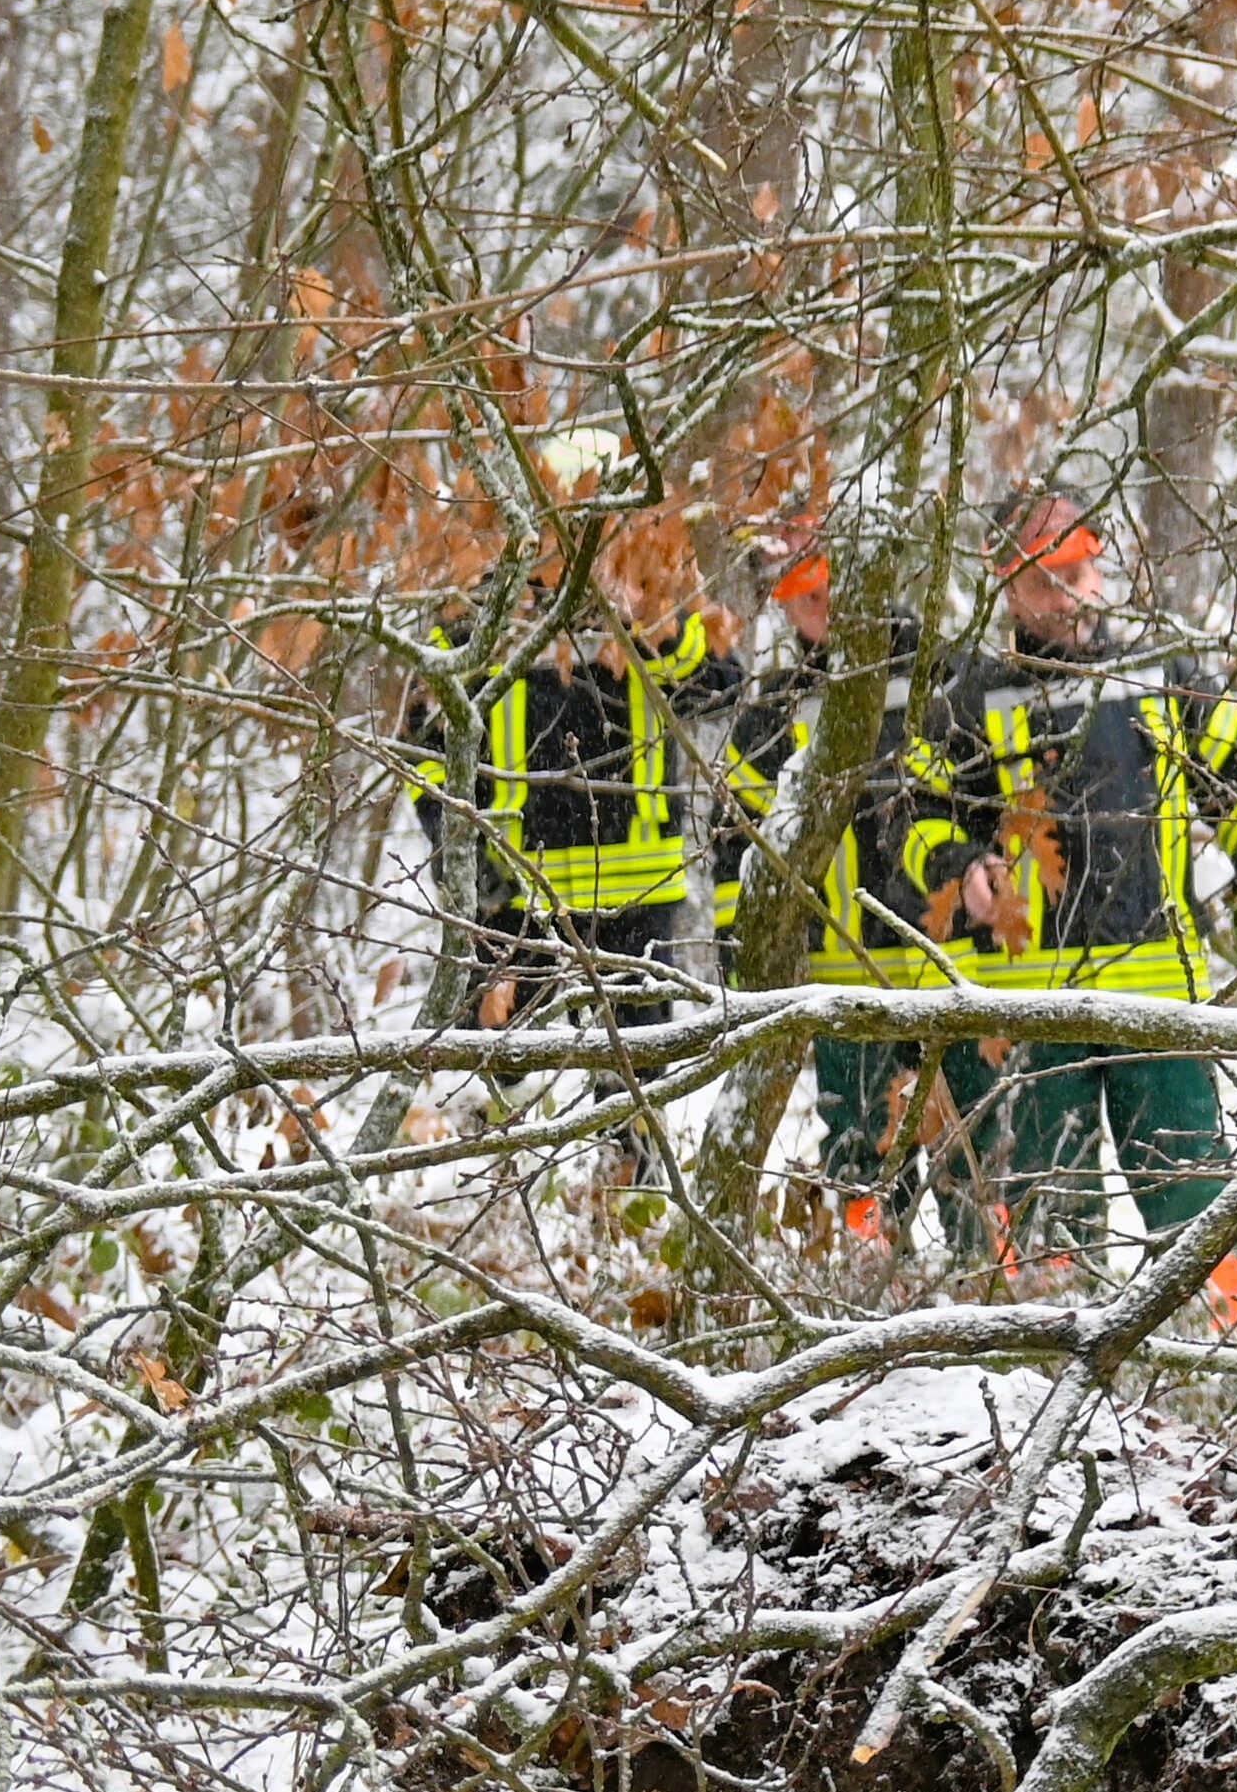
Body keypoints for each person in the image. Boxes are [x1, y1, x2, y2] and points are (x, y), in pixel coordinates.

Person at [899, 489, 1237, 1305]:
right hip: (1031, 1017)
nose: (1074, 594)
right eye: (1051, 580)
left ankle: (1230, 1366)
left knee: (1198, 1219)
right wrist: (960, 866)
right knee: (1049, 1237)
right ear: (1009, 587)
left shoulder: (1161, 676)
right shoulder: (970, 699)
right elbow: (915, 816)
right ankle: (1051, 1390)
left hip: (1161, 1004)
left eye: (1083, 571)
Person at [407, 429, 731, 1035]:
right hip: (514, 899)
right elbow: (421, 751)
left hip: (636, 897)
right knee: (506, 1090)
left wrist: (651, 616)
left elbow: (721, 680)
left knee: (634, 1090)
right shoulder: (480, 617)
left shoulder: (649, 610)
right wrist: (460, 850)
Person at [719, 541, 961, 1252]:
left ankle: (994, 1275)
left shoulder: (938, 672)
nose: (824, 612)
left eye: (832, 593)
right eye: (807, 600)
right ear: (786, 609)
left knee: (968, 1127)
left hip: (949, 963)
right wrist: (750, 957)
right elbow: (741, 842)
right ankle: (868, 1276)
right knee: (860, 1142)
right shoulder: (774, 710)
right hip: (843, 970)